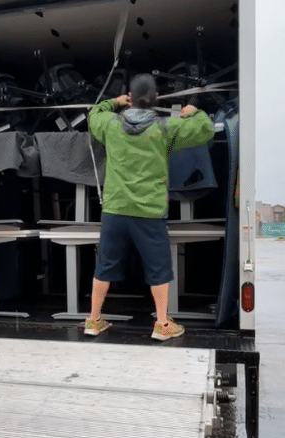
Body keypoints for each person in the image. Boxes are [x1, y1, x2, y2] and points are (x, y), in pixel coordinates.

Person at [84, 73, 215, 340]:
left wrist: (113, 102)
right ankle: (163, 324)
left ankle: (94, 320)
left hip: (115, 210)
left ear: (130, 99)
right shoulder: (165, 128)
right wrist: (194, 112)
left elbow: (93, 114)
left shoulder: (110, 126)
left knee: (105, 265)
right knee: (158, 268)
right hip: (149, 213)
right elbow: (205, 129)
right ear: (154, 100)